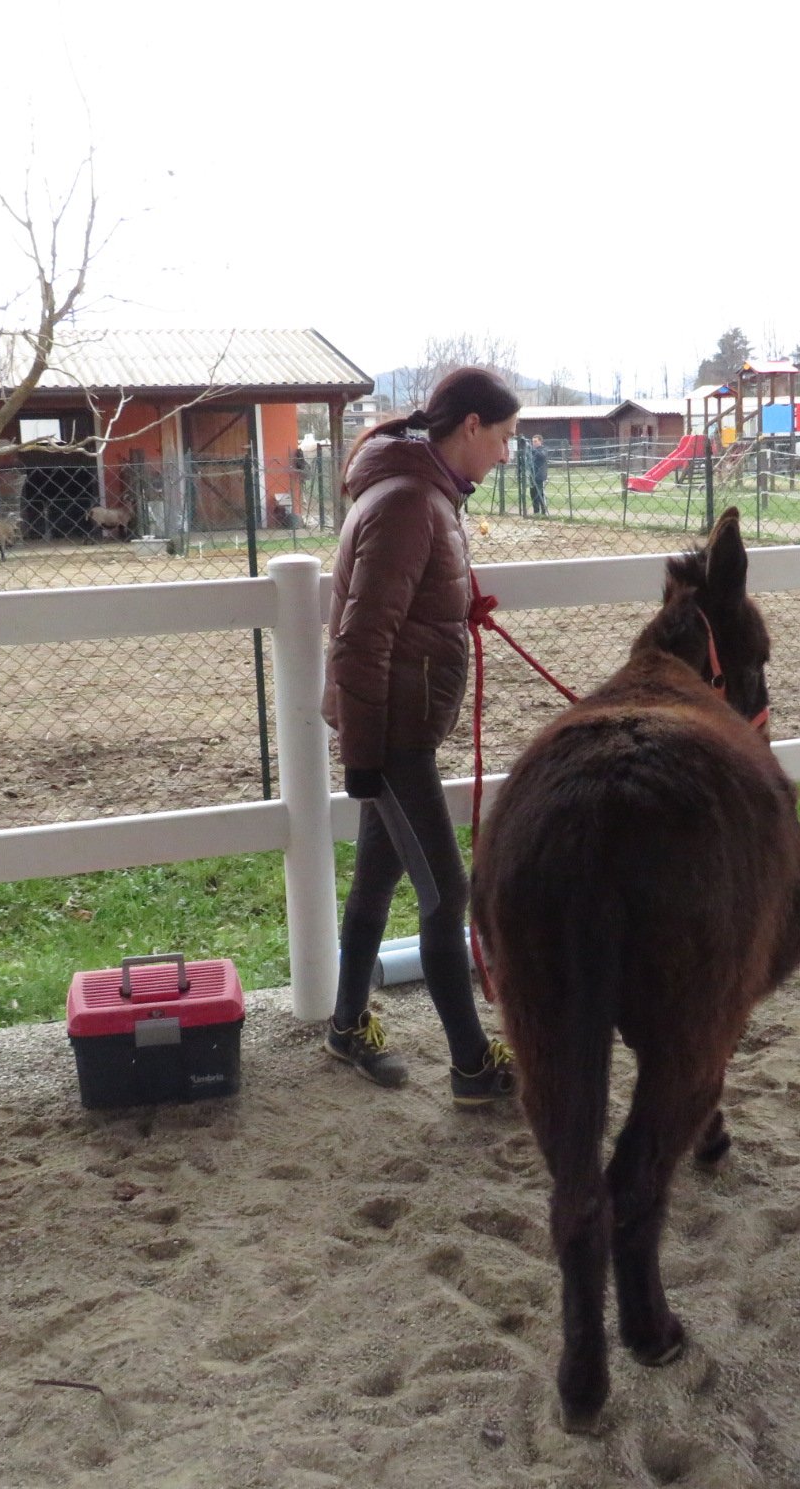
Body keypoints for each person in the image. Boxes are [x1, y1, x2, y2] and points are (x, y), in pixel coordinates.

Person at [320, 366, 519, 1107]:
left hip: (398, 729)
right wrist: (365, 763)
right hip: (392, 738)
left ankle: (345, 1027)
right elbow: (360, 638)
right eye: (501, 437)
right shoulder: (409, 500)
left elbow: (397, 617)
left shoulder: (423, 491)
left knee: (379, 878)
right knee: (446, 894)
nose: (504, 453)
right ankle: (472, 1067)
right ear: (469, 426)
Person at [528, 434, 549, 516]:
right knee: (533, 494)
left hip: (540, 476)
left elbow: (542, 456)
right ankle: (536, 512)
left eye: (535, 441)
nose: (534, 443)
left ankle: (544, 512)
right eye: (533, 441)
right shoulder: (531, 451)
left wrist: (533, 450)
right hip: (532, 475)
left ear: (540, 441)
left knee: (540, 494)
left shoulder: (544, 449)